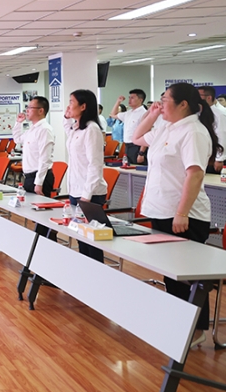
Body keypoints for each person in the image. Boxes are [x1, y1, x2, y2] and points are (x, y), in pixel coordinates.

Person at [132, 83, 222, 346]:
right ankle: (178, 324)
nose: (160, 104)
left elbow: (195, 174)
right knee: (171, 274)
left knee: (189, 276)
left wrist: (181, 212)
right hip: (162, 210)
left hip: (184, 215)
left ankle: (196, 329)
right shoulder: (166, 127)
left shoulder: (194, 131)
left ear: (183, 104)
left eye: (165, 100)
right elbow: (136, 138)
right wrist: (152, 115)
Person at [63, 89, 108, 262]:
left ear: (83, 106)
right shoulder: (76, 129)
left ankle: (97, 274)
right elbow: (67, 129)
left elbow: (95, 165)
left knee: (92, 242)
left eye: (71, 102)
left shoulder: (92, 129)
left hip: (89, 194)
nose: (68, 106)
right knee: (81, 238)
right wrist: (66, 117)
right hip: (76, 190)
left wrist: (86, 196)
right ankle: (85, 273)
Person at [12, 96, 55, 195]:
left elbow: (45, 158)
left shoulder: (44, 130)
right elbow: (17, 139)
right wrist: (18, 123)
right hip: (29, 177)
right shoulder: (32, 129)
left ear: (41, 111)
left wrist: (39, 183)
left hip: (40, 178)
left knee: (39, 205)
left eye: (30, 108)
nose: (27, 110)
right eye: (27, 107)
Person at [111, 89, 147, 164]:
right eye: (129, 97)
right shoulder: (128, 113)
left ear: (140, 100)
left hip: (137, 147)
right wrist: (118, 101)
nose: (129, 100)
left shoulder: (144, 113)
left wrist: (141, 153)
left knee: (136, 168)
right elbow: (113, 115)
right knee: (128, 167)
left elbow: (146, 134)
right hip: (127, 146)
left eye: (132, 98)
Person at [198, 86, 225, 172]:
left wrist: (219, 159)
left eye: (199, 95)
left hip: (214, 157)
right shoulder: (198, 113)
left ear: (209, 98)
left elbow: (222, 135)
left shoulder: (219, 114)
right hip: (203, 154)